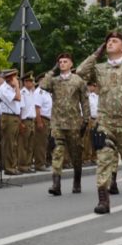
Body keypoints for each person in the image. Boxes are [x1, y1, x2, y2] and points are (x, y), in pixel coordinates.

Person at [77, 31, 122, 214]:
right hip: (105, 123)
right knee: (103, 161)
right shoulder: (100, 68)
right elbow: (80, 72)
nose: (110, 43)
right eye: (108, 41)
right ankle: (103, 199)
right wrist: (97, 53)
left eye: (114, 41)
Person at [38, 52, 89, 197]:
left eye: (65, 62)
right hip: (57, 123)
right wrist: (53, 69)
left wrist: (85, 120)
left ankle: (77, 180)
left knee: (76, 155)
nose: (62, 64)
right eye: (60, 62)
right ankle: (56, 184)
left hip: (74, 123)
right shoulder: (54, 81)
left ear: (71, 64)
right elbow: (42, 85)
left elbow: (85, 102)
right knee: (57, 153)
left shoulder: (78, 81)